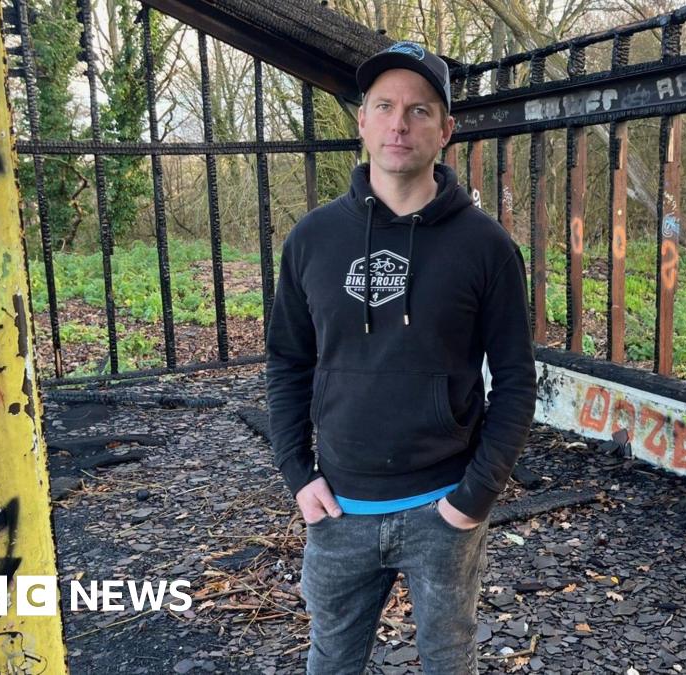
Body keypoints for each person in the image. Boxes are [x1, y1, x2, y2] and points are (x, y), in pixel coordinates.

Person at [265, 41, 537, 674]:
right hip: (338, 510)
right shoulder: (312, 240)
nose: (399, 124)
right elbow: (285, 364)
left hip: (442, 507)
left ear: (446, 129)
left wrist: (472, 499)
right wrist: (298, 478)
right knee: (330, 661)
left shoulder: (486, 248)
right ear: (361, 121)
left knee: (448, 662)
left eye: (419, 111)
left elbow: (517, 383)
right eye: (384, 106)